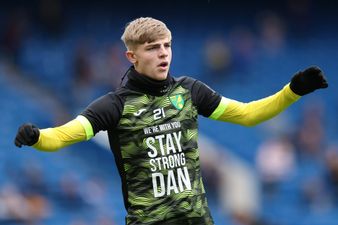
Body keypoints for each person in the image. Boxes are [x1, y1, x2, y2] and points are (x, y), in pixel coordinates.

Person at [14, 17, 328, 225]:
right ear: (132, 57)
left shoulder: (189, 91)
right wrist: (38, 137)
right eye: (153, 48)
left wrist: (292, 91)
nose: (164, 54)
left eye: (167, 45)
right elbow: (65, 135)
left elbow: (247, 115)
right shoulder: (114, 105)